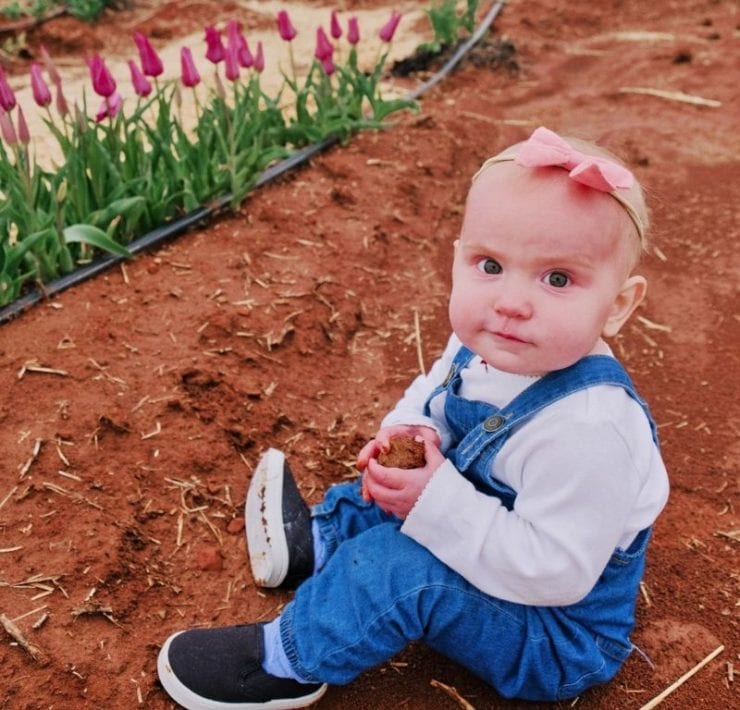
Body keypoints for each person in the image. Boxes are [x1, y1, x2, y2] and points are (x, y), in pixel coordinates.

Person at [157, 126, 669, 709]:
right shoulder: (486, 342)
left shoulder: (589, 431)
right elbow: (433, 390)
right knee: (398, 478)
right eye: (490, 265)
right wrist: (413, 428)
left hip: (549, 630)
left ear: (618, 306)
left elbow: (555, 572)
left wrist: (436, 503)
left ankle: (286, 661)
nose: (510, 302)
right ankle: (314, 545)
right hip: (489, 539)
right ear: (458, 257)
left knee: (402, 567)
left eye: (557, 279)